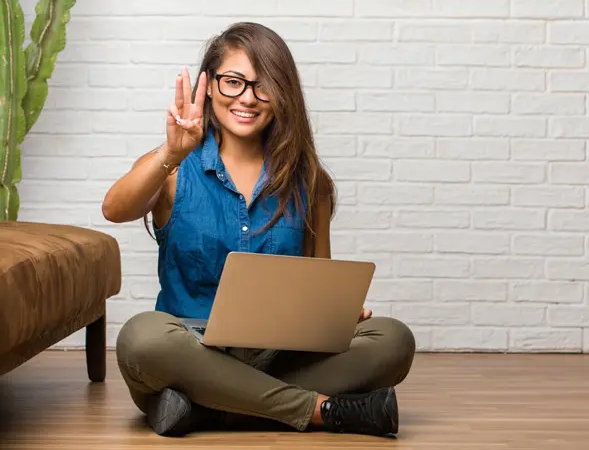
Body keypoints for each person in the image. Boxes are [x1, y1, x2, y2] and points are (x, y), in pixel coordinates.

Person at [101, 22, 416, 438]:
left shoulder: (309, 181)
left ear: (282, 93)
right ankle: (322, 410)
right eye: (233, 82)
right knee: (141, 338)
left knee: (393, 339)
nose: (247, 98)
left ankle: (209, 407)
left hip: (280, 356)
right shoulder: (175, 168)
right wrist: (171, 151)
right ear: (209, 85)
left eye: (263, 85)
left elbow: (319, 276)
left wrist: (338, 312)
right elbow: (114, 209)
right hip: (189, 352)